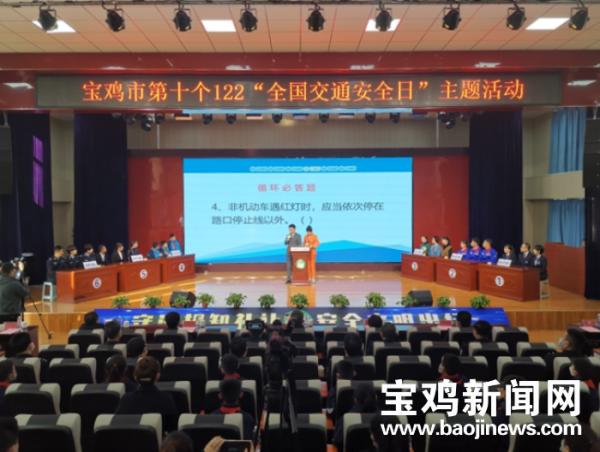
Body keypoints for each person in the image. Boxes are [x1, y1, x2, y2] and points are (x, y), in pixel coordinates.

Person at [116, 356, 178, 432]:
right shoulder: (166, 399)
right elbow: (173, 429)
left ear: (135, 377)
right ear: (157, 376)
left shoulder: (125, 400)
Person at [333, 383, 377, 450]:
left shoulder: (347, 419)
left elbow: (337, 441)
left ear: (355, 399)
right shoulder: (385, 418)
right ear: (375, 398)